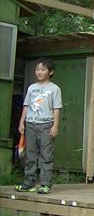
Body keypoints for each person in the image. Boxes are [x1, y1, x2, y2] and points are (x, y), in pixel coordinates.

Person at [15, 58, 62, 194]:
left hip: (46, 124)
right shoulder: (32, 88)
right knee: (30, 155)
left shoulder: (55, 89)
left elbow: (56, 108)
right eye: (37, 69)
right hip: (30, 123)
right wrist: (21, 122)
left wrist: (55, 126)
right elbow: (26, 106)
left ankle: (45, 184)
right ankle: (28, 183)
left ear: (50, 71)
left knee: (46, 155)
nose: (39, 72)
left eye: (42, 69)